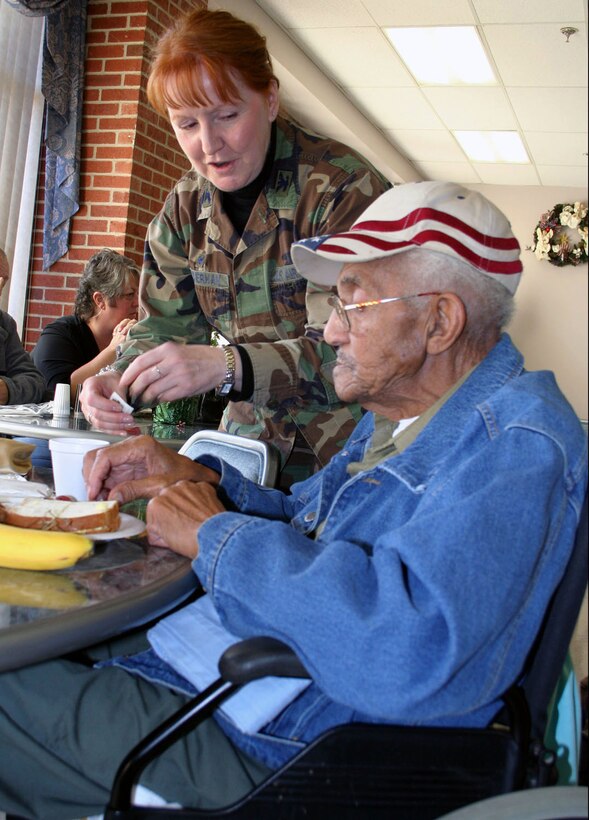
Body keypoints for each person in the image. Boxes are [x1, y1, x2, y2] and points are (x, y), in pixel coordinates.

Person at [0, 182, 586, 818]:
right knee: (50, 637)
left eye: (353, 305)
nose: (330, 330)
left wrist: (216, 535)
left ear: (440, 321)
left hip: (311, 743)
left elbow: (411, 647)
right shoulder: (404, 413)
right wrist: (196, 479)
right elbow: (307, 521)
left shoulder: (519, 444)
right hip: (266, 675)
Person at [78, 7, 391, 488]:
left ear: (269, 100)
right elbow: (163, 327)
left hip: (351, 453)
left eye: (227, 115)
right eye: (186, 124)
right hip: (247, 450)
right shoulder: (184, 209)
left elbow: (355, 353)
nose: (209, 145)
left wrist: (226, 366)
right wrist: (119, 379)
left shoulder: (341, 190)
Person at [32, 248, 139, 403]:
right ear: (100, 300)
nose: (137, 303)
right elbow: (62, 395)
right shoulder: (59, 336)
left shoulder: (134, 339)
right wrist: (113, 350)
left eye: (138, 295)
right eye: (129, 295)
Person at [0, 247, 47, 405]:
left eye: (3, 280)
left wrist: (8, 390)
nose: (0, 289)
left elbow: (35, 381)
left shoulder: (4, 324)